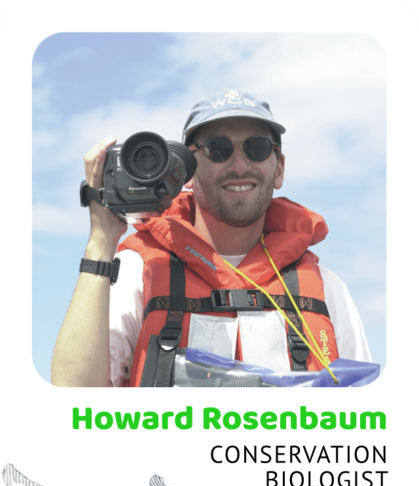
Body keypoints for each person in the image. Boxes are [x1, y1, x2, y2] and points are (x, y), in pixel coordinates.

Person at [51, 88, 371, 387]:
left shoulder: (327, 289)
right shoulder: (138, 272)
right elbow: (72, 399)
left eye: (257, 148)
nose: (240, 164)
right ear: (185, 169)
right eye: (217, 149)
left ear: (279, 169)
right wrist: (102, 239)